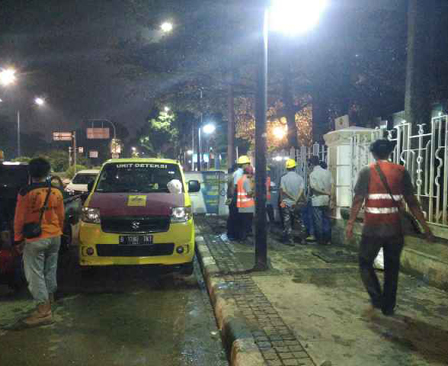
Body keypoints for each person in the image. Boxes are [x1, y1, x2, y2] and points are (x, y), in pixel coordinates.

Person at [346, 139, 434, 316]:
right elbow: (412, 202)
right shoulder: (401, 171)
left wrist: (350, 224)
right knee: (392, 268)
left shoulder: (367, 171)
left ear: (373, 153)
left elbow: (358, 199)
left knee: (364, 262)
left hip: (373, 228)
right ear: (389, 152)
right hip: (394, 229)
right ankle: (388, 306)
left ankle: (377, 298)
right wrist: (426, 228)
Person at [14, 157, 65, 327]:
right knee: (50, 270)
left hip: (36, 239)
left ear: (30, 173)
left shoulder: (25, 192)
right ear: (47, 172)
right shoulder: (57, 191)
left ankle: (43, 312)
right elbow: (61, 216)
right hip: (55, 236)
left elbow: (19, 219)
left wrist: (17, 239)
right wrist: (59, 231)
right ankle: (49, 301)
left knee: (34, 274)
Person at [279, 159, 305, 246]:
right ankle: (303, 239)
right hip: (297, 204)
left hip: (287, 203)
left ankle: (290, 240)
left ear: (287, 168)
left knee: (287, 222)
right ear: (295, 167)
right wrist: (296, 199)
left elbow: (283, 191)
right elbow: (302, 191)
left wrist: (288, 199)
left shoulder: (283, 178)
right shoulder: (300, 178)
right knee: (299, 221)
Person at [309, 156, 333, 245]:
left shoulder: (312, 174)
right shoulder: (327, 172)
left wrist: (324, 192)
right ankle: (328, 239)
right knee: (326, 220)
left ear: (311, 164)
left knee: (318, 220)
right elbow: (331, 185)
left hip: (317, 199)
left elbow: (314, 187)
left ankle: (320, 240)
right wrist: (330, 195)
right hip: (327, 200)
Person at [236, 165, 255, 241]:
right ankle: (243, 238)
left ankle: (242, 238)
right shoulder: (246, 180)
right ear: (250, 172)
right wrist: (255, 192)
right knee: (246, 224)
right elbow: (249, 193)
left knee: (242, 223)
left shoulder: (240, 179)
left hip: (241, 205)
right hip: (248, 206)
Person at [226, 164, 238, 241]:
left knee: (231, 215)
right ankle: (231, 233)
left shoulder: (229, 177)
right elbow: (232, 189)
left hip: (229, 198)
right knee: (233, 216)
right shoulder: (234, 176)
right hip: (232, 198)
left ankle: (230, 232)